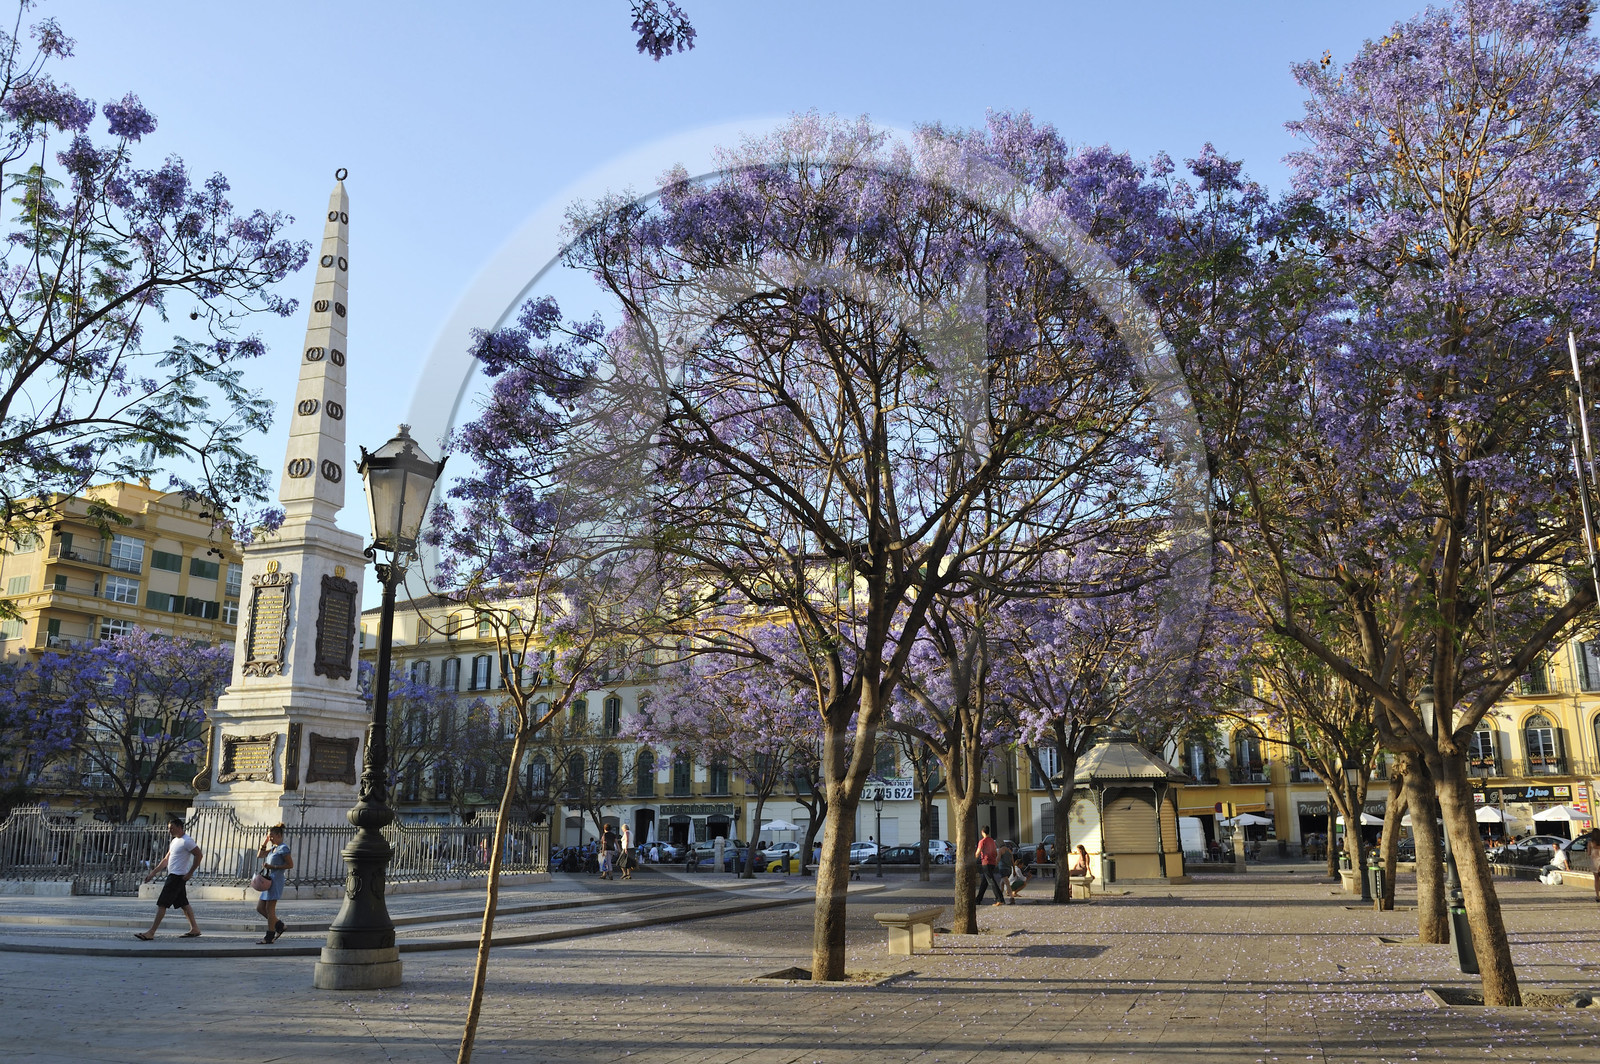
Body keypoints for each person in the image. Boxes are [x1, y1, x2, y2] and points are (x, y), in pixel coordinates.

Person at [136, 815, 203, 940]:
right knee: (183, 903)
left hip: (177, 877)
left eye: (171, 828)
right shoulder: (174, 841)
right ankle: (195, 928)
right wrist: (153, 873)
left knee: (162, 904)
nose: (169, 831)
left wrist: (190, 873)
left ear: (179, 827)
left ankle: (151, 932)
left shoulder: (187, 841)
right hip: (174, 875)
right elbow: (166, 859)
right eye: (168, 828)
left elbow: (199, 855)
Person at [254, 823, 294, 944]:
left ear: (279, 835)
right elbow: (260, 855)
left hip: (276, 880)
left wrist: (272, 866)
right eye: (269, 836)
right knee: (260, 908)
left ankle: (269, 936)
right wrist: (265, 842)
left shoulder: (283, 848)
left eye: (271, 836)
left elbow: (290, 865)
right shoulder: (273, 848)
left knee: (269, 909)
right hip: (268, 880)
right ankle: (279, 925)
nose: (270, 838)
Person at [974, 826, 1005, 907]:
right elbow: (995, 852)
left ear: (982, 832)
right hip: (992, 863)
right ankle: (978, 900)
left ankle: (1000, 899)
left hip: (986, 862)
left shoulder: (982, 841)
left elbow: (978, 852)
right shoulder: (992, 841)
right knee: (984, 883)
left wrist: (973, 860)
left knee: (991, 881)